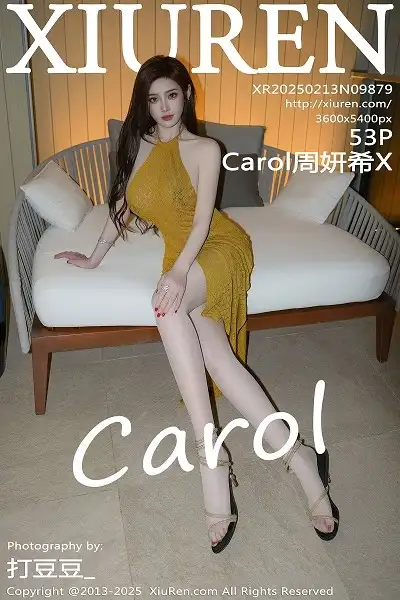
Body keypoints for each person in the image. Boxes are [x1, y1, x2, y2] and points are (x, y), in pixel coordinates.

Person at [54, 55, 339, 553]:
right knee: (220, 363)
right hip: (180, 257)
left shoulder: (207, 148)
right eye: (153, 99)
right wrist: (94, 257)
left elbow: (204, 221)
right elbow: (122, 207)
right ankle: (301, 459)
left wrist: (180, 271)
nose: (164, 107)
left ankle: (212, 464)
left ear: (187, 93)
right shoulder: (140, 146)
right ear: (145, 105)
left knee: (165, 307)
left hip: (218, 249)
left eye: (172, 95)